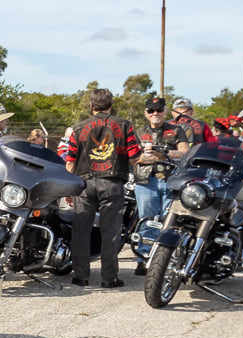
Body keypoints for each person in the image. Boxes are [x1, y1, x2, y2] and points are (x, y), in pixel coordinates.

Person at [58, 87, 140, 287]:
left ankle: (81, 276)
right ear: (111, 105)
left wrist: (70, 189)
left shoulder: (78, 128)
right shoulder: (125, 125)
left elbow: (70, 162)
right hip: (112, 184)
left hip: (84, 184)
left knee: (81, 231)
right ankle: (109, 278)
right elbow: (135, 157)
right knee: (110, 233)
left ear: (91, 106)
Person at [131, 96, 194, 274]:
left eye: (159, 110)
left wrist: (164, 153)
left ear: (165, 111)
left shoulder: (177, 130)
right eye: (151, 110)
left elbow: (185, 153)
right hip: (145, 181)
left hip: (170, 180)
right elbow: (132, 157)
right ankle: (143, 259)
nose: (155, 113)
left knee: (169, 221)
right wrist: (145, 157)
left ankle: (165, 259)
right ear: (146, 113)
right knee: (147, 221)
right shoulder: (138, 132)